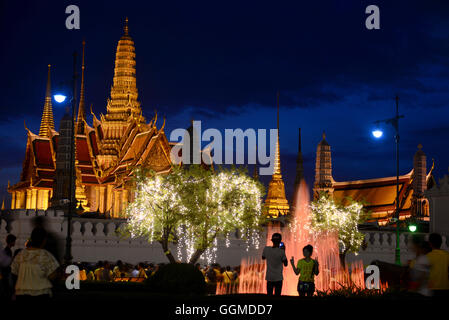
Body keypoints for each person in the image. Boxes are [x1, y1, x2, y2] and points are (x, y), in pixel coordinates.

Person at [10, 228, 59, 300]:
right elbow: (52, 276)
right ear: (44, 240)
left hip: (21, 294)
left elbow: (14, 272)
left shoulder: (20, 255)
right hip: (41, 294)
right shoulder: (45, 255)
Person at [426, 233, 449, 297]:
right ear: (441, 243)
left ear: (430, 243)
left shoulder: (428, 256)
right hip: (445, 287)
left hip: (432, 288)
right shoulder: (447, 255)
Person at [1, 234, 16, 299]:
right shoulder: (8, 251)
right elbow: (7, 263)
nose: (15, 243)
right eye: (14, 241)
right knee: (9, 288)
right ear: (11, 241)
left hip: (5, 273)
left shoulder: (7, 250)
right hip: (6, 273)